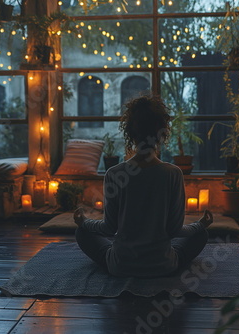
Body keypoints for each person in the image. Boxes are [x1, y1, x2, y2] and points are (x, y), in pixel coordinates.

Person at [74, 95, 213, 278]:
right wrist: (200, 225)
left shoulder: (114, 174)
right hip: (163, 266)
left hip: (121, 266)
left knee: (82, 233)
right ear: (162, 133)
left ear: (130, 133)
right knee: (201, 235)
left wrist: (84, 222)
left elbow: (109, 229)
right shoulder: (173, 173)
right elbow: (175, 231)